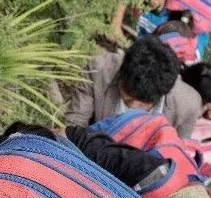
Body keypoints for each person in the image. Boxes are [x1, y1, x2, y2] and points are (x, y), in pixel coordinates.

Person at [64, 36, 202, 138]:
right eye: (127, 98)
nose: (133, 107)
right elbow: (74, 124)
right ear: (121, 74)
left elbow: (174, 156)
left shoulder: (189, 106)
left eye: (143, 104)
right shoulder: (98, 70)